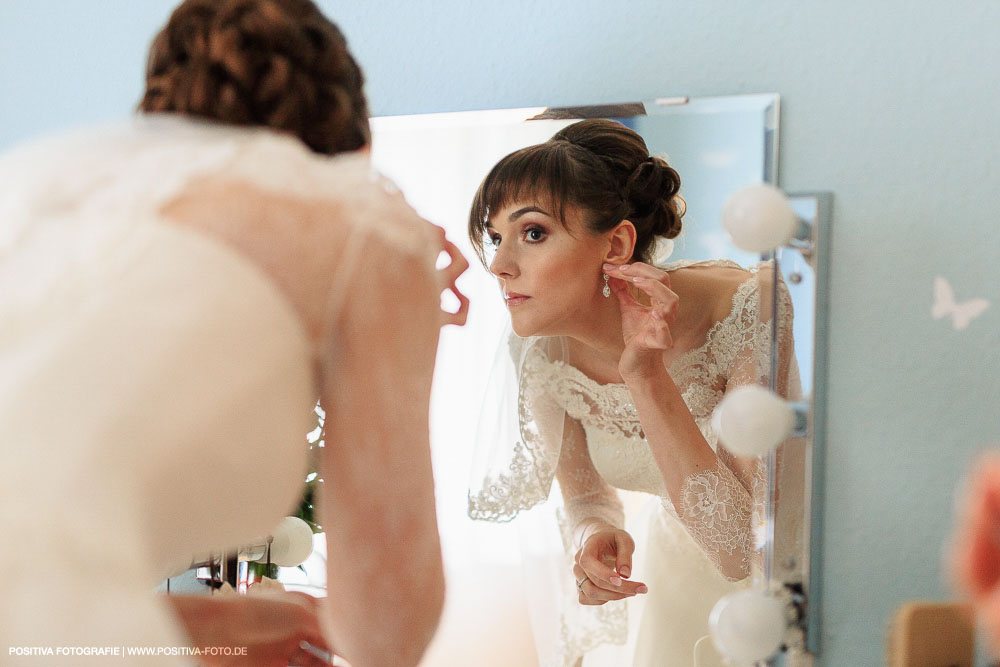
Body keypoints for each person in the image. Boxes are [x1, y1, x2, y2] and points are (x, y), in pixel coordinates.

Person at [0, 1, 468, 665]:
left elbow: (37, 566)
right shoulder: (364, 227)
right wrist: (409, 320)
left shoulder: (37, 195)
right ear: (351, 137)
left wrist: (226, 620)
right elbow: (385, 630)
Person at [466, 119, 800, 665]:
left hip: (774, 593)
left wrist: (646, 377)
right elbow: (586, 495)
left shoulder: (745, 311)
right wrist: (591, 534)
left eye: (532, 233)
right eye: (495, 236)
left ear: (617, 243)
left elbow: (742, 547)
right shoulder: (539, 348)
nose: (500, 265)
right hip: (674, 591)